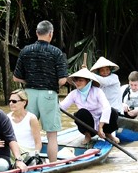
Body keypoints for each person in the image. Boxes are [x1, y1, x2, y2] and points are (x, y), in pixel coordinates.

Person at [13, 20, 68, 162]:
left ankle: (23, 160)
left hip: (28, 95)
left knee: (28, 130)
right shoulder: (56, 52)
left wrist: (29, 81)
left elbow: (16, 77)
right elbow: (62, 80)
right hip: (49, 95)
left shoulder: (25, 50)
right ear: (51, 34)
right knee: (52, 135)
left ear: (37, 33)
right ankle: (53, 166)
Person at [59, 68, 119, 145]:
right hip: (88, 125)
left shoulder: (97, 91)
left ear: (87, 81)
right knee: (81, 112)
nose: (77, 83)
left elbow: (106, 107)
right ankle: (87, 135)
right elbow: (62, 107)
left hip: (102, 124)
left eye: (80, 80)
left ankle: (108, 133)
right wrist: (54, 102)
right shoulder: (74, 94)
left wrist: (100, 127)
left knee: (113, 111)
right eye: (76, 80)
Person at [7, 89, 42, 156]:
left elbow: (38, 143)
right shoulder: (7, 118)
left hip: (27, 153)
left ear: (24, 102)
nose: (11, 103)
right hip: (13, 150)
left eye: (14, 101)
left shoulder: (31, 118)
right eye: (10, 101)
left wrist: (35, 156)